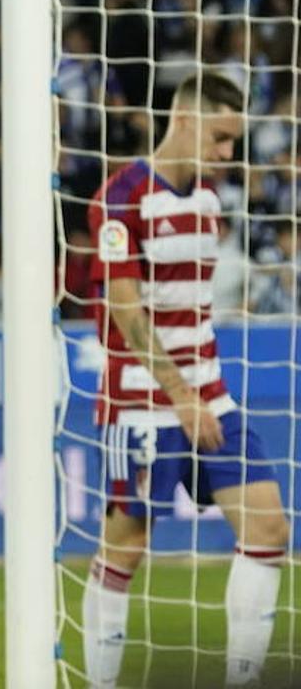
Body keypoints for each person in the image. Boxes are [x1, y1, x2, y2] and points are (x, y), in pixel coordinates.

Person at [83, 73, 290, 689]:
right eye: (223, 139)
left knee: (269, 528)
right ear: (189, 120)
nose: (228, 155)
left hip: (210, 394)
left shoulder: (207, 199)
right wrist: (180, 394)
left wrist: (201, 394)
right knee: (126, 549)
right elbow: (125, 309)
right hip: (142, 404)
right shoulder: (121, 195)